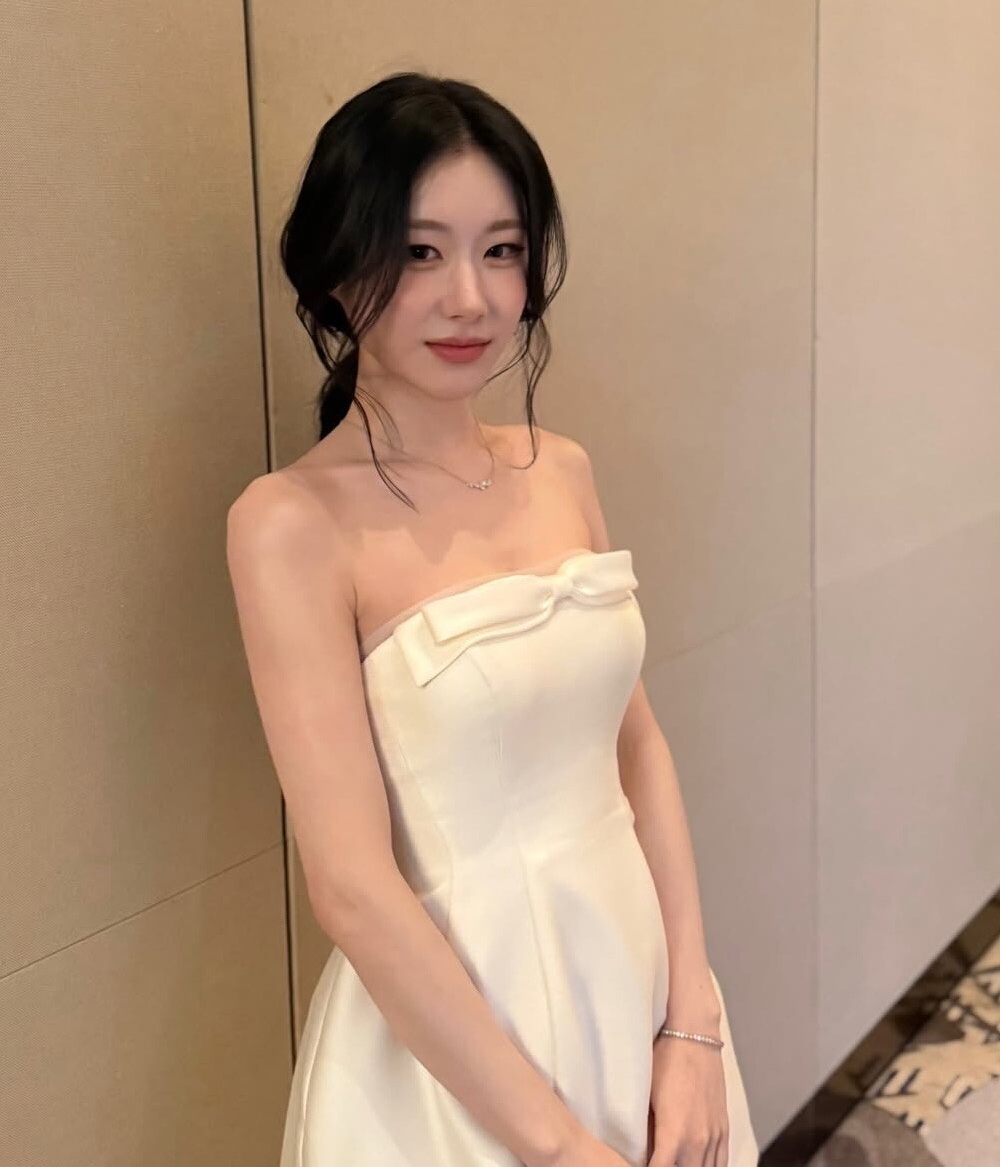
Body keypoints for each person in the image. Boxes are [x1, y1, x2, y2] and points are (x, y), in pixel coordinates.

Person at [226, 71, 760, 1167]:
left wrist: (693, 1020)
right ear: (336, 268)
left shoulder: (560, 467)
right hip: (457, 1049)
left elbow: (639, 749)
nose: (469, 298)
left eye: (501, 250)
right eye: (419, 252)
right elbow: (352, 889)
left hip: (635, 984)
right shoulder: (288, 524)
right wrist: (560, 1149)